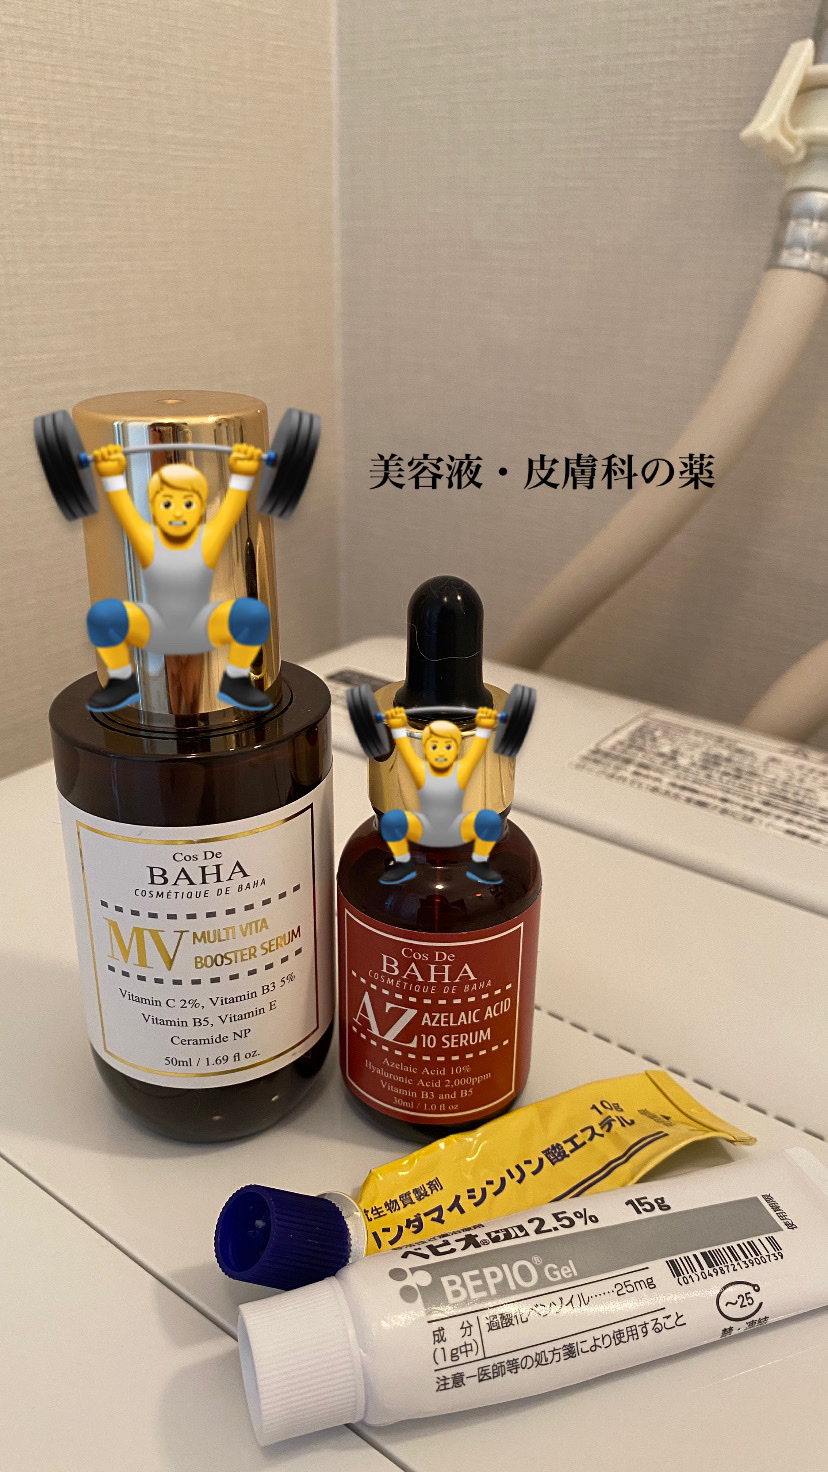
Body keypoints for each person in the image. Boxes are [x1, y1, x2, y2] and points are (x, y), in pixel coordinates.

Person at [84, 442, 272, 713]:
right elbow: (124, 510)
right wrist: (111, 473)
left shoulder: (207, 539)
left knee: (254, 614)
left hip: (200, 628)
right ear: (153, 507)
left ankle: (235, 679)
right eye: (167, 503)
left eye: (188, 503)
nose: (177, 511)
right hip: (157, 629)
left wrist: (243, 472)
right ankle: (121, 679)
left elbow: (231, 508)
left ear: (201, 506)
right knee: (102, 615)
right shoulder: (148, 540)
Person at [378, 705, 504, 885]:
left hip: (456, 829)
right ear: (424, 748)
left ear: (457, 748)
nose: (441, 752)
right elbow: (405, 750)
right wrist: (397, 727)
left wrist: (484, 728)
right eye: (434, 746)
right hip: (425, 829)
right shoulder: (421, 771)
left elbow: (476, 751)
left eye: (448, 746)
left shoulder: (461, 771)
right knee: (391, 820)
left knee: (490, 820)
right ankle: (403, 863)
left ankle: (479, 863)